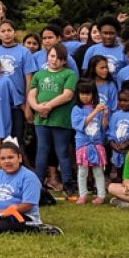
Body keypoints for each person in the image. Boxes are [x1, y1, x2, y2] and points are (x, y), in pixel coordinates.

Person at [0, 141, 61, 235]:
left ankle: (39, 228)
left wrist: (2, 212)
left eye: (10, 157)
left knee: (3, 227)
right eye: (3, 158)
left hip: (20, 214)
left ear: (19, 158)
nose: (7, 161)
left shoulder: (29, 177)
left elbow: (27, 205)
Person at [27, 43, 77, 197]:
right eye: (52, 56)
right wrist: (36, 107)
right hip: (41, 120)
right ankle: (38, 183)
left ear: (64, 61)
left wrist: (47, 106)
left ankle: (68, 184)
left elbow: (67, 95)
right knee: (42, 150)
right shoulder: (39, 74)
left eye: (58, 58)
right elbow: (32, 94)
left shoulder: (69, 74)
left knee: (62, 151)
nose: (54, 60)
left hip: (61, 120)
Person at [0, 20, 38, 150]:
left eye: (9, 30)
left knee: (16, 139)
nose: (6, 34)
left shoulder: (24, 52)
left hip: (18, 103)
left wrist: (28, 106)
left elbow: (29, 81)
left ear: (14, 32)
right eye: (3, 31)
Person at [71, 81, 108, 205]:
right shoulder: (76, 109)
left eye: (88, 94)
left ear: (93, 94)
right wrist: (95, 111)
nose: (85, 96)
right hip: (83, 144)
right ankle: (83, 195)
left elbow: (103, 127)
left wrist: (104, 116)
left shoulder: (97, 108)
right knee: (82, 171)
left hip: (97, 143)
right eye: (82, 93)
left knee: (98, 171)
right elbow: (80, 124)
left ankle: (101, 195)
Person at [108, 87, 129, 181]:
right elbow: (110, 133)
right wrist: (113, 144)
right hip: (118, 152)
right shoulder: (115, 115)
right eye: (120, 100)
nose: (122, 103)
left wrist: (127, 144)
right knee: (120, 175)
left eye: (125, 100)